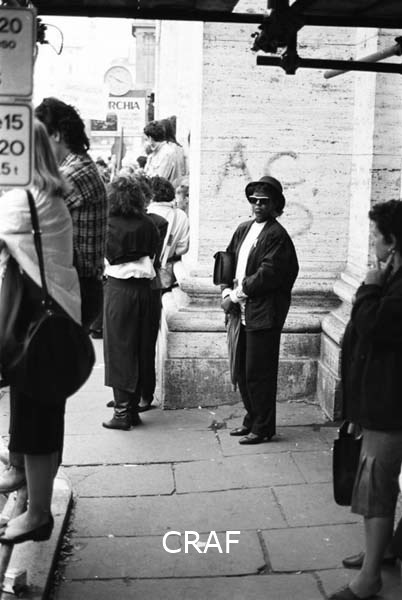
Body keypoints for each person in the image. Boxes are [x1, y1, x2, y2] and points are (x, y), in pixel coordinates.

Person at [0, 119, 81, 542]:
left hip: (36, 328)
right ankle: (31, 498)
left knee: (36, 421)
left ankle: (37, 515)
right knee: (41, 416)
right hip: (54, 322)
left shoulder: (24, 200)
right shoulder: (49, 195)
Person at [329, 200, 402, 600]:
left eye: (375, 236)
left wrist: (370, 285)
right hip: (381, 398)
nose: (372, 242)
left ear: (392, 242)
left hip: (389, 403)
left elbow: (375, 327)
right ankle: (384, 549)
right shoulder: (393, 275)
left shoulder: (393, 283)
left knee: (375, 487)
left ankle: (370, 578)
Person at [221, 176, 298, 445]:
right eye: (254, 200)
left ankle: (263, 427)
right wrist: (225, 291)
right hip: (241, 311)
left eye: (264, 202)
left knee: (259, 373)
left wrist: (235, 295)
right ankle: (251, 419)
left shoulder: (277, 235)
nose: (257, 205)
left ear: (275, 205)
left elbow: (268, 275)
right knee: (243, 370)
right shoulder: (244, 229)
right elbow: (227, 260)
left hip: (264, 314)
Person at [35, 97, 107, 331]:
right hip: (78, 286)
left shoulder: (74, 173)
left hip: (76, 287)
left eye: (40, 139)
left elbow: (30, 213)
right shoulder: (76, 166)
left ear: (56, 135)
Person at [102, 176, 160, 430]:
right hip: (146, 290)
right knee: (141, 347)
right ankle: (133, 408)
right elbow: (154, 253)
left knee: (119, 349)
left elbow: (106, 256)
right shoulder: (148, 223)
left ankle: (122, 413)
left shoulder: (108, 224)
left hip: (119, 290)